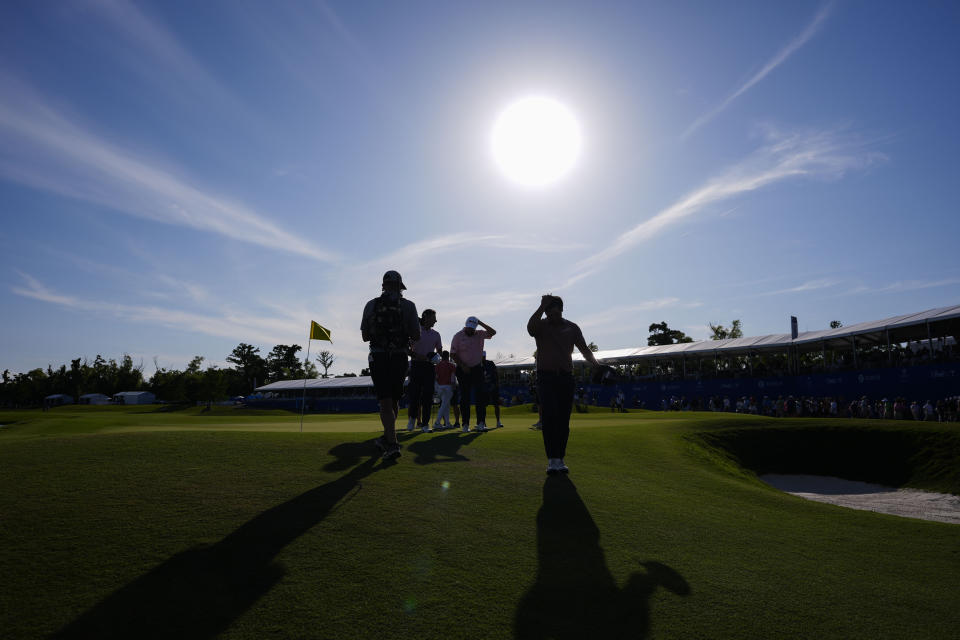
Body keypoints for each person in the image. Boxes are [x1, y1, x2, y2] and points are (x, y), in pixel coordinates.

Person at [527, 294, 601, 475]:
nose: (549, 316)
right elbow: (530, 328)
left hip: (566, 378)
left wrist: (597, 366)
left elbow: (584, 349)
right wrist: (541, 305)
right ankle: (552, 460)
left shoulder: (572, 327)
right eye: (547, 312)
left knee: (563, 420)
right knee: (549, 419)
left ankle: (560, 458)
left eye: (552, 311)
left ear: (560, 310)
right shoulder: (541, 326)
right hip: (546, 378)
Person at [361, 270, 420, 460]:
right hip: (400, 356)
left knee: (385, 400)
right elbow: (417, 336)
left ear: (383, 286)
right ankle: (392, 441)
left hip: (378, 356)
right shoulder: (409, 306)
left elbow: (364, 336)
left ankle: (389, 440)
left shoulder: (371, 305)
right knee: (393, 400)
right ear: (400, 287)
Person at [450, 315, 496, 432]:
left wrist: (480, 322)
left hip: (477, 368)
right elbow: (453, 354)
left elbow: (493, 332)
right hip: (462, 369)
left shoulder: (480, 333)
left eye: (473, 327)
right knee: (465, 397)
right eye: (469, 327)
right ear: (466, 326)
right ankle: (465, 424)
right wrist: (462, 365)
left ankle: (481, 423)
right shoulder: (458, 336)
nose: (471, 330)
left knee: (480, 396)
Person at [406, 309, 442, 432]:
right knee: (414, 395)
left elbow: (440, 351)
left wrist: (438, 357)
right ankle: (412, 420)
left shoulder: (436, 334)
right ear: (425, 317)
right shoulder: (415, 331)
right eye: (433, 318)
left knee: (427, 396)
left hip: (429, 367)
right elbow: (407, 349)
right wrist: (417, 356)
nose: (435, 320)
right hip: (416, 365)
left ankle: (425, 424)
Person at [433, 350, 457, 430]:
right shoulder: (451, 365)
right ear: (448, 356)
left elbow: (436, 377)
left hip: (440, 387)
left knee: (446, 405)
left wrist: (436, 388)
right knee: (444, 405)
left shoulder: (437, 365)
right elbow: (453, 377)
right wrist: (454, 386)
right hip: (448, 387)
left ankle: (447, 423)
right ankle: (437, 422)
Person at [481, 351, 504, 428]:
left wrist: (496, 385)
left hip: (493, 387)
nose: (482, 358)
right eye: (481, 357)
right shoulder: (478, 365)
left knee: (496, 405)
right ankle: (483, 423)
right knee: (483, 406)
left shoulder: (491, 363)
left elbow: (495, 374)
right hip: (484, 388)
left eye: (483, 357)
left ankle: (498, 422)